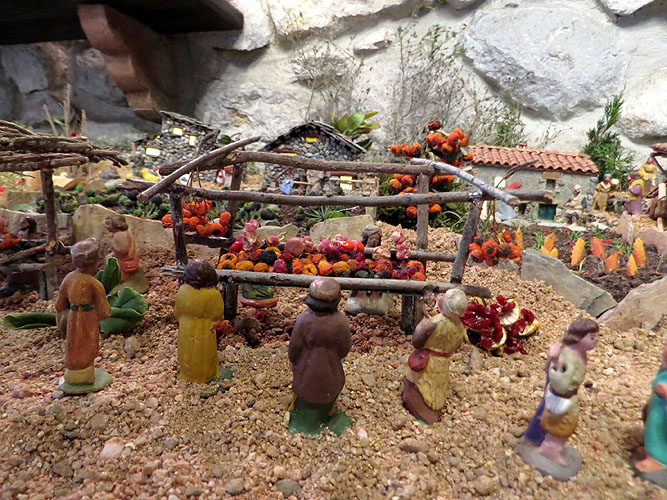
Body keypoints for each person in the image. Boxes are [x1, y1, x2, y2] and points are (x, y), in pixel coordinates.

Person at [288, 278, 352, 435]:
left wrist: (294, 361)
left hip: (306, 368)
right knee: (328, 389)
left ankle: (303, 420)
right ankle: (323, 416)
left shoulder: (304, 320)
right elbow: (344, 348)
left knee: (306, 389)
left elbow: (295, 347)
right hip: (331, 369)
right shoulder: (341, 322)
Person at [402, 288, 468, 424]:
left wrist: (419, 328)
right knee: (437, 387)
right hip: (443, 362)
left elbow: (417, 342)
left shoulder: (434, 323)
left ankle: (421, 412)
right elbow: (457, 345)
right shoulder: (460, 326)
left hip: (427, 360)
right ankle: (434, 409)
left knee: (420, 384)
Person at [55, 238, 112, 392]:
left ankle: (74, 374)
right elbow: (105, 311)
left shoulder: (68, 279)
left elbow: (59, 304)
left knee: (73, 344)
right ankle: (85, 376)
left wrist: (63, 318)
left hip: (73, 317)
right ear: (95, 262)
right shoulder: (94, 284)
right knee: (88, 345)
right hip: (88, 318)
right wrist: (98, 315)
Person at [174, 260, 224, 383]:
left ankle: (186, 374)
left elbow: (177, 313)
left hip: (185, 330)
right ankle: (206, 376)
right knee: (203, 356)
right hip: (204, 333)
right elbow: (217, 315)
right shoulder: (213, 295)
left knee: (186, 354)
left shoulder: (182, 291)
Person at [636, 339, 667, 473]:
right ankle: (651, 452)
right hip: (658, 407)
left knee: (659, 431)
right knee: (653, 427)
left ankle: (659, 459)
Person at [104, 214, 148, 293]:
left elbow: (123, 250)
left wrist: (113, 245)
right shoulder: (121, 233)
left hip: (125, 259)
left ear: (116, 224)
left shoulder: (119, 235)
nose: (105, 226)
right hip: (126, 257)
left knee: (109, 261)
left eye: (108, 224)